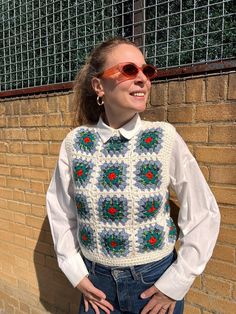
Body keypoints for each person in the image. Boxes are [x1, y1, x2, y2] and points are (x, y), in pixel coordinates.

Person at [46, 37, 220, 314]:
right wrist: (75, 272)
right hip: (96, 286)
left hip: (153, 285)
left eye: (146, 71)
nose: (142, 79)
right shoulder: (75, 142)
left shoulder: (163, 138)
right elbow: (59, 209)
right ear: (99, 86)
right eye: (128, 70)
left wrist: (176, 283)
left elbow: (203, 212)